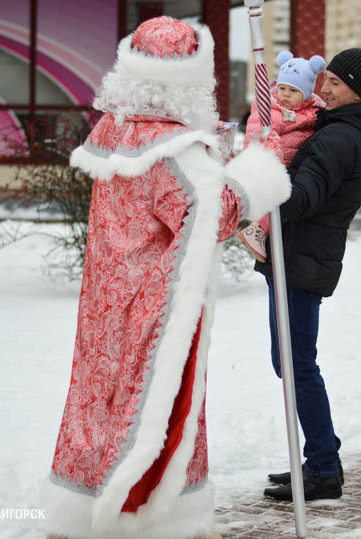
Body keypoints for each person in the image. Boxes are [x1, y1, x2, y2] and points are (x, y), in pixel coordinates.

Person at [40, 16, 291, 538]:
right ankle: (156, 522)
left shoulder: (115, 128)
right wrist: (257, 177)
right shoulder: (173, 149)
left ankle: (81, 517)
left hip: (105, 303)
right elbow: (208, 214)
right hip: (153, 305)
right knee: (157, 405)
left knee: (98, 402)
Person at [255, 48, 361, 501]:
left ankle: (324, 469)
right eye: (323, 80)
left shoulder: (338, 138)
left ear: (356, 90)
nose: (322, 89)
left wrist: (261, 176)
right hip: (301, 256)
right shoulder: (341, 131)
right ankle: (320, 456)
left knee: (295, 364)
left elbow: (301, 198)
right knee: (291, 362)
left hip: (302, 259)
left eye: (333, 82)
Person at [237, 50, 326, 262]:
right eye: (283, 88)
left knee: (284, 204)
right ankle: (256, 230)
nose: (285, 94)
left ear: (306, 94)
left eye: (293, 90)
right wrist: (257, 156)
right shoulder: (271, 108)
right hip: (272, 163)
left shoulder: (313, 111)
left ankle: (262, 231)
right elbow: (255, 131)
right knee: (275, 198)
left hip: (293, 164)